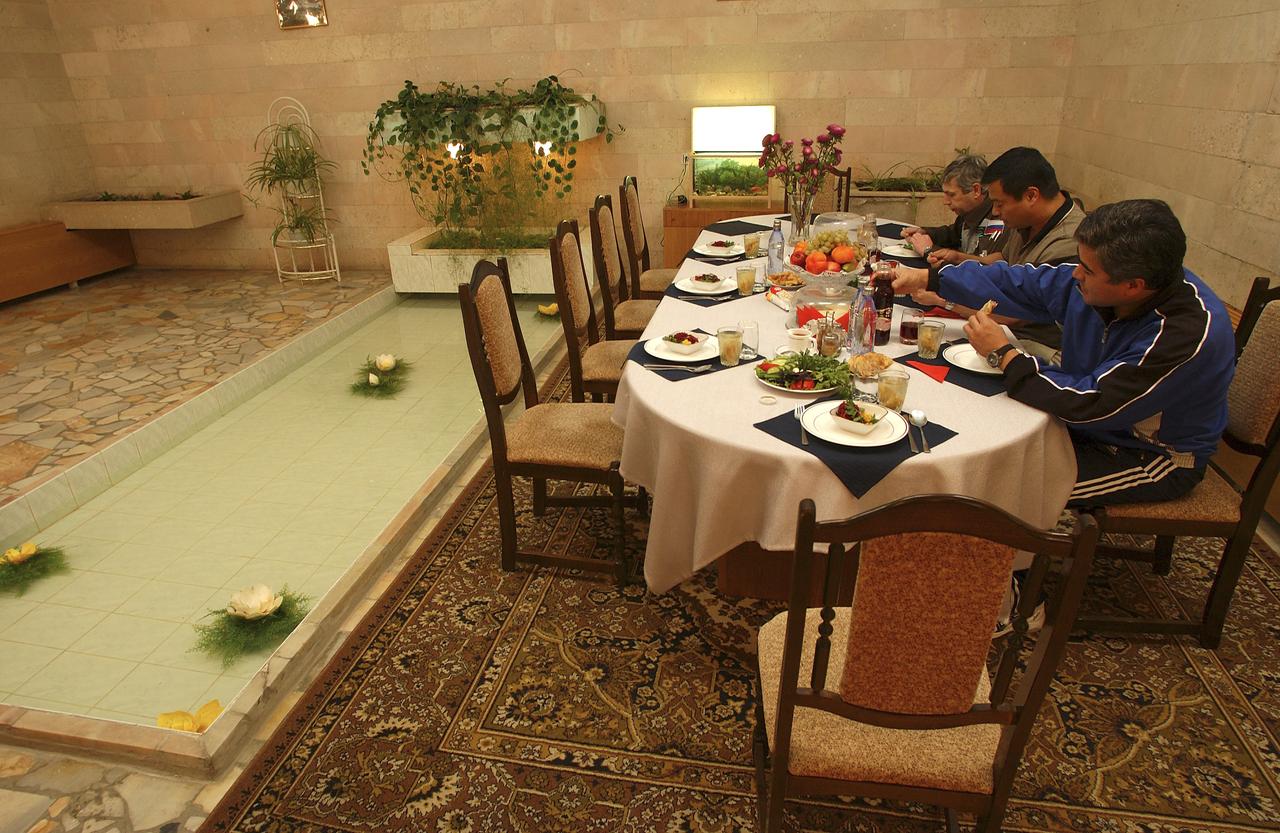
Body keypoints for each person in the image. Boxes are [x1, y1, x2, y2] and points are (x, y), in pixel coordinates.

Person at [892, 198, 1235, 508]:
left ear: (1133, 286)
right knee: (965, 435)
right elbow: (1020, 282)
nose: (1076, 274)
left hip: (1144, 453)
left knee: (989, 487)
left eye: (1088, 270)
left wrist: (1006, 355)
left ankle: (1001, 569)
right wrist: (930, 277)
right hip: (1086, 418)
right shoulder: (1109, 278)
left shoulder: (1186, 333)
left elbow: (1091, 405)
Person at [911, 147, 1084, 356]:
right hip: (1006, 331)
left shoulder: (1069, 243)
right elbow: (1001, 261)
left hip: (1040, 347)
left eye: (999, 203)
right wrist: (957, 260)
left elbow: (1015, 310)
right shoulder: (1027, 219)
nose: (994, 212)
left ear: (1031, 195)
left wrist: (942, 295)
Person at [899, 153, 999, 260]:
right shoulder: (970, 213)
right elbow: (953, 234)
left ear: (976, 190)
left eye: (951, 194)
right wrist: (925, 232)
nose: (945, 202)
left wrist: (929, 250)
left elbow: (981, 266)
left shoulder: (998, 220)